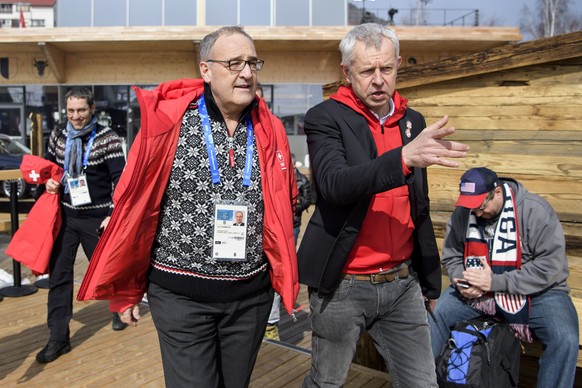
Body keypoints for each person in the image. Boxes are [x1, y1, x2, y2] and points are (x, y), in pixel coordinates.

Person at [77, 26, 299, 388]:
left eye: (252, 63)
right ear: (206, 70)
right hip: (180, 297)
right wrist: (127, 288)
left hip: (250, 298)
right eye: (234, 63)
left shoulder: (271, 127)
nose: (246, 72)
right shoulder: (168, 124)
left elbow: (283, 204)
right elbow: (134, 210)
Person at [297, 23, 469, 387]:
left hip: (402, 283)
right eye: (367, 71)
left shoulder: (413, 121)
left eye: (386, 69)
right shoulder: (324, 117)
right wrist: (402, 158)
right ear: (346, 72)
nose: (378, 80)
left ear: (398, 65)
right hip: (344, 285)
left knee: (424, 383)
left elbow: (416, 206)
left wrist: (430, 282)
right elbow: (333, 184)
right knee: (326, 382)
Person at [430, 167, 579, 388]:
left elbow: (550, 267)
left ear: (498, 192)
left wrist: (495, 282)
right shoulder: (464, 212)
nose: (477, 213)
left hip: (537, 293)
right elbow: (452, 256)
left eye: (482, 206)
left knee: (565, 338)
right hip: (478, 293)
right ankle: (424, 382)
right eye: (472, 207)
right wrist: (462, 281)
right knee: (437, 315)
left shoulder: (534, 210)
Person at [35, 87, 126, 363]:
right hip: (65, 216)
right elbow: (49, 168)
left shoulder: (107, 138)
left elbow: (120, 179)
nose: (75, 116)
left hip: (97, 218)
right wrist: (48, 182)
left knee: (106, 270)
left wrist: (113, 212)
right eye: (71, 111)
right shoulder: (58, 135)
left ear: (92, 108)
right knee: (59, 278)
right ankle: (58, 338)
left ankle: (118, 308)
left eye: (81, 110)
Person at [264, 152, 312, 341]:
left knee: (281, 269)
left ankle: (271, 323)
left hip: (292, 227)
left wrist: (292, 207)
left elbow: (307, 199)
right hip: (271, 227)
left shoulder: (301, 179)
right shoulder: (273, 174)